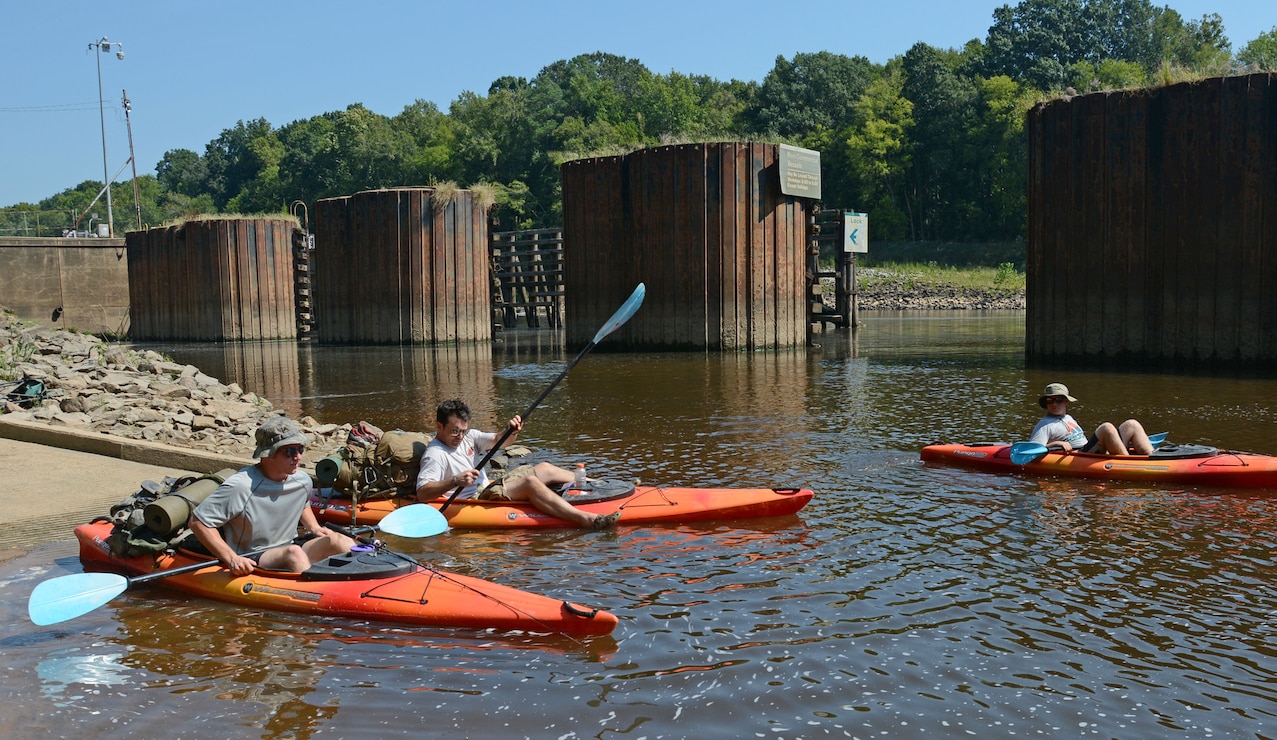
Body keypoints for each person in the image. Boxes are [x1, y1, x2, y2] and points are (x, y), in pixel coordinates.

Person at [415, 399, 621, 530]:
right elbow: (422, 492)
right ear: (439, 426)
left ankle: (602, 484)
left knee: (545, 468)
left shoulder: (470, 437)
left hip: (487, 487)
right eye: (454, 431)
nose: (460, 436)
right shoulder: (435, 454)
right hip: (478, 498)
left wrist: (511, 430)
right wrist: (454, 480)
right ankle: (585, 519)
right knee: (530, 482)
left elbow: (499, 440)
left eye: (463, 430)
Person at [190, 416, 355, 575]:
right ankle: (315, 595)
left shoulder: (302, 481)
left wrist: (314, 527)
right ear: (269, 454)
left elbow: (302, 503)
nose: (298, 457)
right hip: (252, 555)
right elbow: (198, 522)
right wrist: (231, 558)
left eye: (300, 449)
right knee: (294, 553)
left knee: (341, 540)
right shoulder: (240, 486)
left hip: (290, 545)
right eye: (290, 451)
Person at [1029, 382, 1154, 456]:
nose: (1054, 404)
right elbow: (1033, 451)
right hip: (1081, 455)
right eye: (1050, 401)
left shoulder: (1067, 417)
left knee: (1132, 424)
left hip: (1090, 448)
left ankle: (1153, 457)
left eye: (1058, 400)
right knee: (1106, 428)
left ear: (1066, 401)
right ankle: (1128, 464)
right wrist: (1056, 444)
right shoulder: (1044, 425)